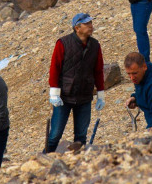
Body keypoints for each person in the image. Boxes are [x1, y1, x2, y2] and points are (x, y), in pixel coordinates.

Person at [44, 13, 106, 153]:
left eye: (91, 23)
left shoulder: (95, 45)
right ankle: (44, 159)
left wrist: (100, 94)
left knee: (81, 136)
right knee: (54, 135)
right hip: (64, 97)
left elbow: (98, 70)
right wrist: (54, 93)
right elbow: (55, 68)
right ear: (77, 28)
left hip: (84, 97)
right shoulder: (63, 43)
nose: (91, 26)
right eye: (87, 24)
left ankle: (79, 164)